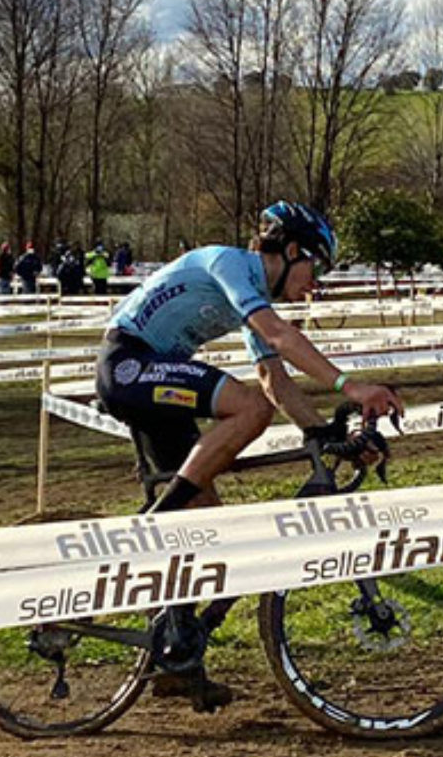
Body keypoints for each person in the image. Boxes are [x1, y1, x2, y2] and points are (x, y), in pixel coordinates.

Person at [93, 200, 403, 711]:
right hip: (129, 366)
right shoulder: (231, 264)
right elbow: (279, 338)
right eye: (315, 267)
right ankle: (157, 518)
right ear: (292, 249)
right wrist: (351, 386)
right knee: (247, 410)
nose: (315, 282)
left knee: (205, 529)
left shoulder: (248, 294)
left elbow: (274, 376)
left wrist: (321, 433)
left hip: (155, 378)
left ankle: (176, 659)